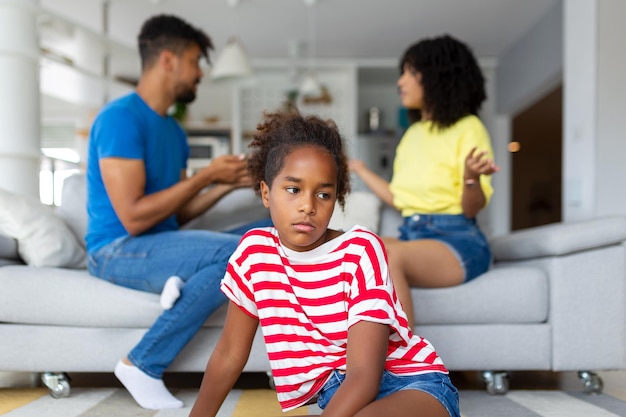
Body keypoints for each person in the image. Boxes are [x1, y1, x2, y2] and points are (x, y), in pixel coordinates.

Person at [189, 110, 460, 417]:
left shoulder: (360, 250)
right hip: (343, 398)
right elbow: (228, 355)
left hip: (412, 385)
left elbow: (364, 376)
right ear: (266, 193)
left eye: (323, 194)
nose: (308, 206)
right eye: (293, 189)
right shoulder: (255, 253)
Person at [86, 14, 270, 410]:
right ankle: (142, 362)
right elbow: (134, 217)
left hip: (161, 240)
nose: (200, 73)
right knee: (240, 254)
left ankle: (180, 277)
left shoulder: (172, 131)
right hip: (117, 248)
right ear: (168, 60)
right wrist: (205, 176)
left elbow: (178, 215)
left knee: (269, 231)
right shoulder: (120, 119)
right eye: (195, 61)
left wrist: (223, 184)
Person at [349, 34, 499, 328]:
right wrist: (361, 169)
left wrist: (471, 178)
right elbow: (400, 199)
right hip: (412, 234)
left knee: (387, 254)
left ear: (438, 77)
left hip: (457, 239)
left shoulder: (468, 127)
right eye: (401, 73)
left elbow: (471, 209)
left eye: (411, 72)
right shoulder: (412, 135)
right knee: (354, 248)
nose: (400, 82)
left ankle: (408, 366)